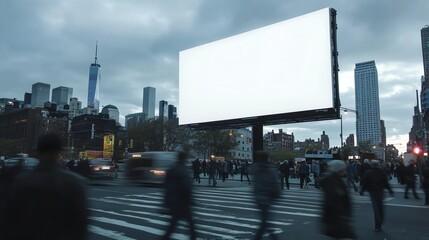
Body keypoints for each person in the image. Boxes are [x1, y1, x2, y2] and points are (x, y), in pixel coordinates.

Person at [3, 132, 88, 240]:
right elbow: (80, 225)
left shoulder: (21, 181)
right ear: (59, 152)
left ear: (38, 152)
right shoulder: (73, 182)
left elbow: (8, 220)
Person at [162, 149, 196, 240]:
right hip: (182, 202)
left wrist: (166, 201)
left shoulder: (172, 168)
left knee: (173, 225)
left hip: (174, 201)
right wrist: (191, 199)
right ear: (184, 158)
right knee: (190, 226)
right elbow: (187, 186)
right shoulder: (183, 169)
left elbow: (166, 185)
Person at [319, 160, 356, 239]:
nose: (344, 172)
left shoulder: (338, 180)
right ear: (337, 170)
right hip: (336, 217)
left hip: (339, 217)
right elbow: (329, 203)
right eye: (342, 170)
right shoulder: (332, 182)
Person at [252, 151, 280, 240]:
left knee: (265, 221)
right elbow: (274, 184)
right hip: (267, 198)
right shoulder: (270, 170)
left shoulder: (255, 168)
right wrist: (278, 194)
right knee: (266, 221)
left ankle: (260, 237)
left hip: (259, 198)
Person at [360, 160, 394, 232]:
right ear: (378, 165)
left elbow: (364, 182)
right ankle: (380, 221)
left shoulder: (368, 172)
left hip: (372, 192)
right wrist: (390, 190)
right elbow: (386, 182)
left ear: (372, 165)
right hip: (380, 191)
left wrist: (362, 191)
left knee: (376, 209)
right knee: (380, 207)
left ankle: (378, 225)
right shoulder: (381, 172)